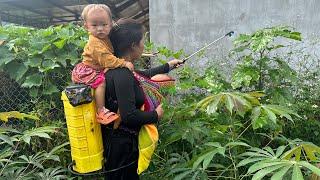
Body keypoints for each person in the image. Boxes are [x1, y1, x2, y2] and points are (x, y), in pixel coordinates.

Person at [101, 18, 183, 179]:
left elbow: (142, 75)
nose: (144, 45)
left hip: (121, 145)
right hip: (122, 149)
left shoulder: (122, 69)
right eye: (143, 41)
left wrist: (168, 66)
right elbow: (129, 115)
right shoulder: (122, 74)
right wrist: (156, 115)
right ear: (133, 45)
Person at [71, 4, 134, 125]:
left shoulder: (104, 37)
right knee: (101, 82)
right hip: (88, 70)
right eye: (94, 25)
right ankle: (101, 111)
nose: (100, 29)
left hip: (97, 67)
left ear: (110, 24)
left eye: (104, 25)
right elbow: (107, 60)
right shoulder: (94, 42)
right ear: (86, 26)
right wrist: (124, 63)